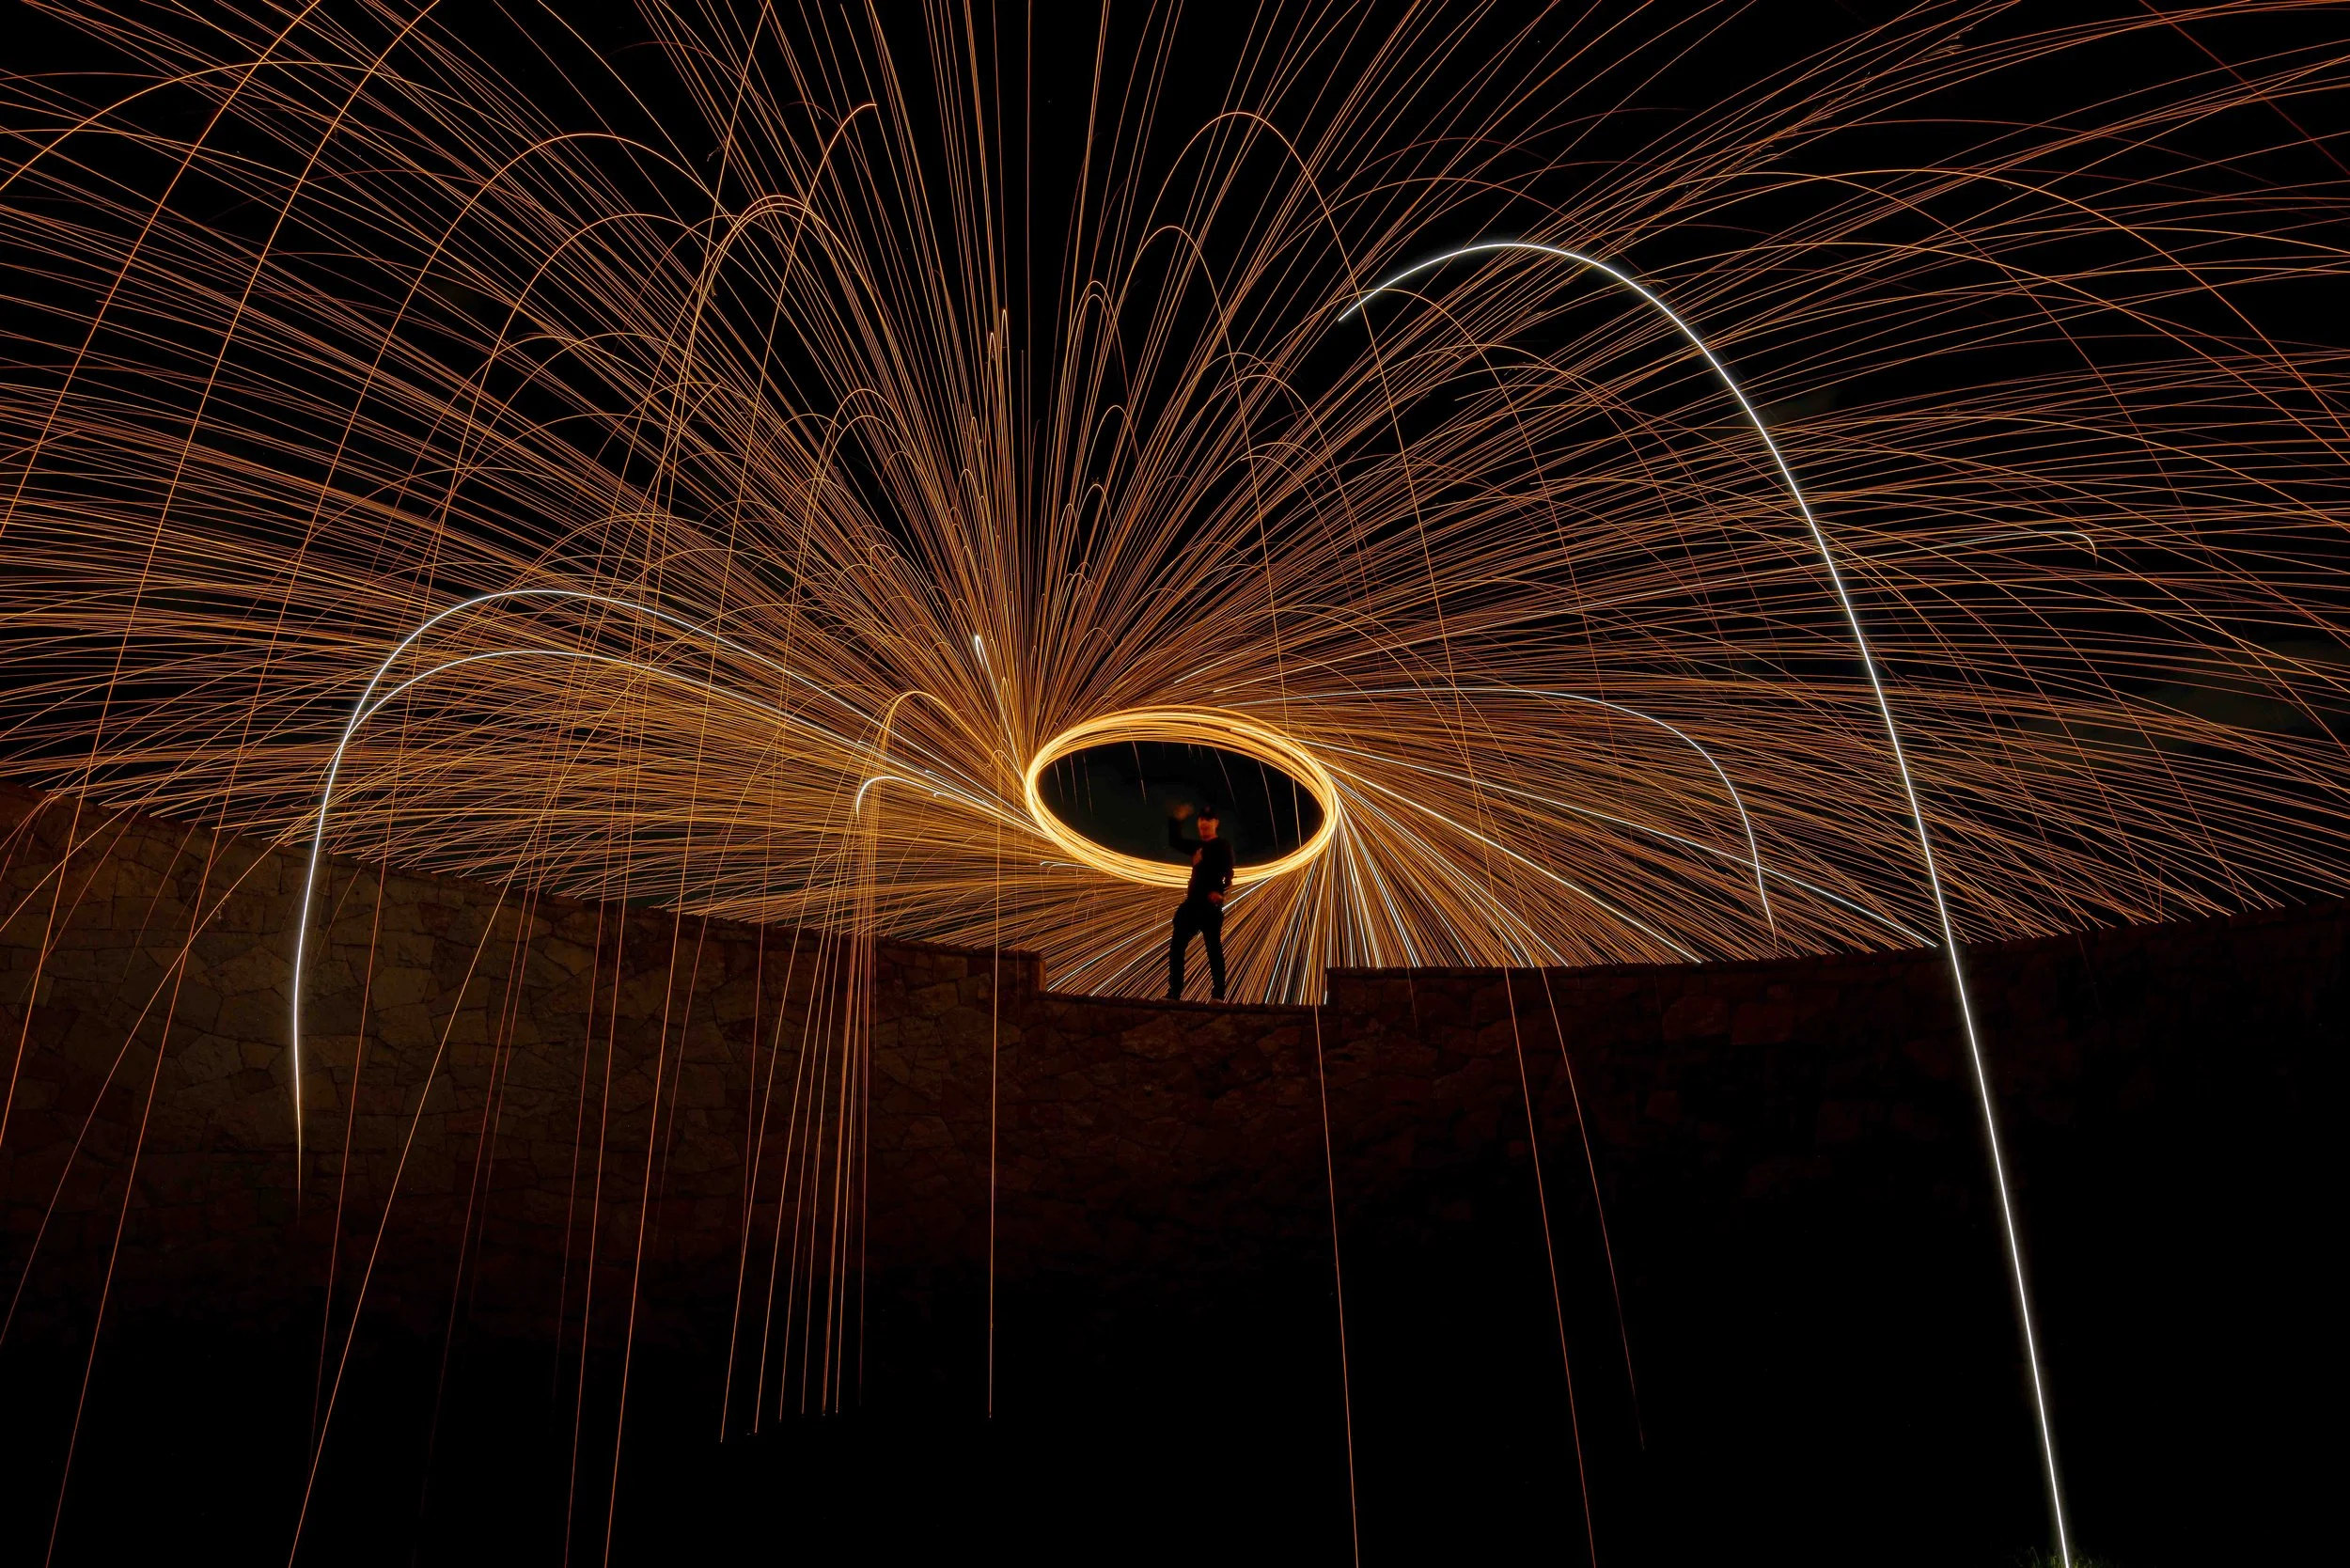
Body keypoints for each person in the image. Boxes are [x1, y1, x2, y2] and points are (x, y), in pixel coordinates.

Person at [1166, 801, 1233, 1001]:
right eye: (1202, 820)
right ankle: (1174, 992)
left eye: (1209, 820)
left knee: (1213, 948)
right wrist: (1176, 819)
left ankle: (1218, 994)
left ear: (1216, 823)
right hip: (1192, 903)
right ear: (1198, 824)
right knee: (1177, 945)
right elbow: (1175, 842)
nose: (1205, 823)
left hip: (1209, 905)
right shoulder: (1197, 846)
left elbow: (1228, 870)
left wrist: (1219, 892)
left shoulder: (1222, 845)